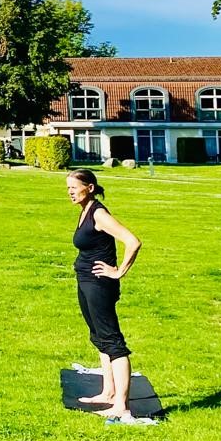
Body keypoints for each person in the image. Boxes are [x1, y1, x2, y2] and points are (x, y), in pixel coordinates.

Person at [66, 168, 144, 420]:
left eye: (74, 188)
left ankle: (121, 405)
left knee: (112, 341)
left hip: (99, 285)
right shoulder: (85, 210)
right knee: (98, 337)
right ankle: (108, 392)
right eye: (68, 188)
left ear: (89, 188)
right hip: (86, 281)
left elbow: (133, 241)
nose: (70, 192)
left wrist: (118, 271)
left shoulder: (99, 214)